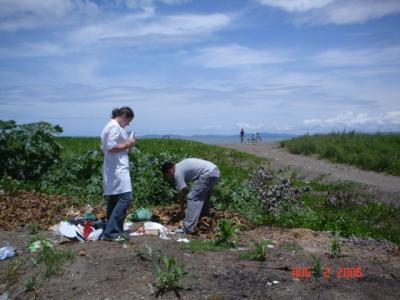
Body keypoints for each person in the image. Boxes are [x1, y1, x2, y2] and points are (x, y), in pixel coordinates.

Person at [100, 106, 136, 241]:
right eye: (128, 120)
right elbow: (112, 147)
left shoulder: (110, 127)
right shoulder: (114, 127)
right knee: (126, 197)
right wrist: (129, 143)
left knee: (115, 197)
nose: (128, 124)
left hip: (114, 167)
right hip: (118, 168)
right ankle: (112, 232)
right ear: (124, 116)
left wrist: (128, 144)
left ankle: (112, 227)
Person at [161, 158, 220, 234]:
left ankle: (187, 228)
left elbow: (181, 194)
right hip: (214, 170)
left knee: (192, 197)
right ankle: (204, 216)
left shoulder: (177, 173)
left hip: (208, 173)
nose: (169, 177)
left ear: (169, 171)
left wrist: (182, 211)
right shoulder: (180, 166)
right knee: (202, 196)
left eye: (167, 175)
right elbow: (184, 190)